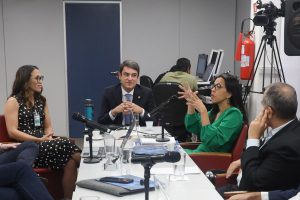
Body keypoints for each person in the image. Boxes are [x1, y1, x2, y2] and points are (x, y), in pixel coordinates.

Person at [4, 65, 81, 199]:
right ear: (26, 81)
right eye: (37, 78)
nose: (41, 81)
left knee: (71, 161)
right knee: (67, 143)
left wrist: (48, 137)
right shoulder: (13, 101)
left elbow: (48, 127)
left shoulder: (41, 100)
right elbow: (12, 132)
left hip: (45, 143)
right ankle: (95, 172)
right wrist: (38, 140)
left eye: (41, 78)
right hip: (27, 148)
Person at [222, 82, 300, 197]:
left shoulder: (288, 146)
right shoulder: (287, 128)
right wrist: (242, 160)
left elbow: (252, 184)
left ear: (268, 111)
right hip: (238, 183)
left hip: (242, 194)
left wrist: (253, 139)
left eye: (262, 105)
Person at [179, 73, 247, 153]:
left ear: (229, 94)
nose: (213, 89)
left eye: (218, 87)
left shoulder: (234, 114)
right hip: (198, 154)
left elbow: (214, 141)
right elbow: (194, 127)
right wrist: (191, 103)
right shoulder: (215, 112)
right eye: (213, 86)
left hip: (207, 158)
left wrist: (203, 111)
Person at [98, 59, 155, 126]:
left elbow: (155, 121)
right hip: (116, 134)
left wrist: (141, 111)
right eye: (126, 74)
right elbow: (101, 122)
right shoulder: (109, 92)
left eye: (133, 75)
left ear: (138, 78)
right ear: (120, 76)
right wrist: (114, 112)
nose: (130, 79)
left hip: (139, 133)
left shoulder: (147, 93)